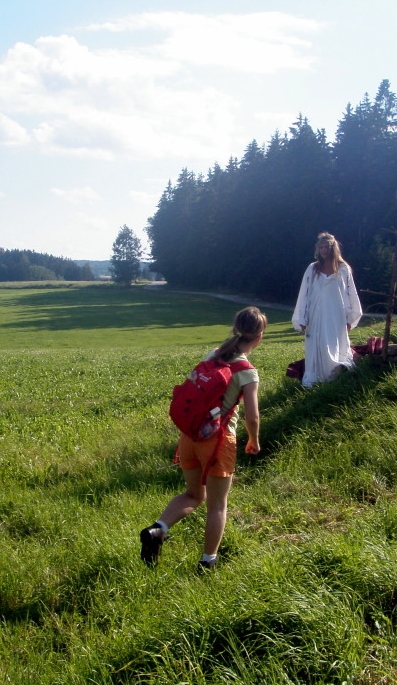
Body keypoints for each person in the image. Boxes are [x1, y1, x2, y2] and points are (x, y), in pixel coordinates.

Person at [140, 307, 267, 570]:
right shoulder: (246, 371)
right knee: (217, 506)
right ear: (259, 337)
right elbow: (252, 416)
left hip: (189, 437)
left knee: (194, 494)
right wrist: (253, 440)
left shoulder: (214, 354)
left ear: (235, 328)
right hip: (218, 441)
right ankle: (208, 562)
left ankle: (158, 529)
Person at [291, 232, 363, 386]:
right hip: (316, 313)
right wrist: (301, 318)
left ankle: (335, 376)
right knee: (318, 345)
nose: (324, 250)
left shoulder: (343, 268)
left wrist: (351, 318)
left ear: (333, 248)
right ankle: (316, 377)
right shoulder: (313, 269)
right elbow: (304, 293)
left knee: (335, 344)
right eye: (321, 247)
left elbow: (351, 294)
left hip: (336, 314)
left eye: (327, 247)